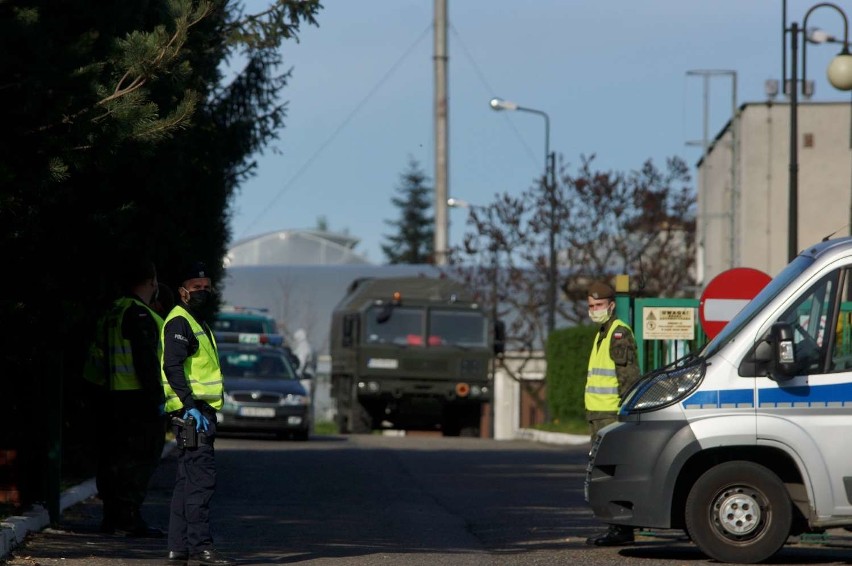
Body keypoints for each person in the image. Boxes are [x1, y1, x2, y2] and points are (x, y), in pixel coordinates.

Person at [83, 258, 166, 537]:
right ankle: (128, 518)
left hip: (108, 395)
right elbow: (146, 362)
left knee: (112, 457)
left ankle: (112, 516)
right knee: (141, 457)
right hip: (136, 397)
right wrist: (158, 399)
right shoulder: (139, 314)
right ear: (150, 281)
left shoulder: (114, 309)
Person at [160, 262, 234, 566]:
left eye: (207, 288)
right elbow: (172, 366)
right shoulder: (180, 322)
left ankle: (178, 549)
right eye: (196, 288)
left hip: (197, 413)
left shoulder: (196, 321)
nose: (203, 292)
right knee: (202, 480)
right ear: (182, 292)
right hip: (193, 415)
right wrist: (189, 404)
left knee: (186, 482)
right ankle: (202, 548)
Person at [583, 280, 641, 547]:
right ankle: (616, 527)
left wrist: (625, 417)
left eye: (599, 305)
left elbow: (628, 378)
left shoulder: (619, 333)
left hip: (611, 416)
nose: (595, 310)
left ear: (611, 305)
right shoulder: (602, 333)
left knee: (613, 472)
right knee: (604, 473)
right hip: (598, 415)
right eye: (591, 306)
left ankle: (621, 529)